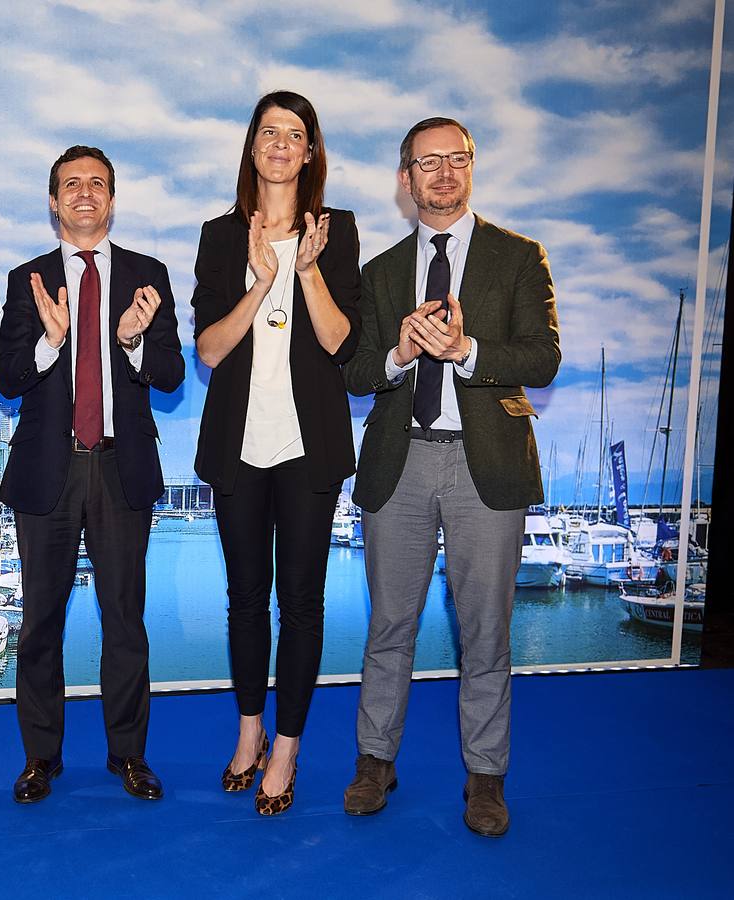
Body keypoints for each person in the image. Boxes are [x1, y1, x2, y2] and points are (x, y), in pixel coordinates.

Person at [342, 118, 560, 837]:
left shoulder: (520, 257)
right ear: (404, 180)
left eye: (455, 159)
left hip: (485, 466)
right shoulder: (377, 273)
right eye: (425, 163)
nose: (441, 173)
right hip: (398, 461)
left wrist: (466, 348)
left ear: (471, 168)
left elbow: (543, 359)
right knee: (389, 625)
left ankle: (487, 776)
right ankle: (376, 760)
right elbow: (355, 371)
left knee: (486, 632)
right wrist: (399, 353)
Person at [0, 145, 184, 804]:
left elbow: (171, 374)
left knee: (124, 621)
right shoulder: (27, 280)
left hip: (120, 466)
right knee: (39, 622)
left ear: (111, 197)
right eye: (71, 184)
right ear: (53, 201)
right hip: (48, 471)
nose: (84, 193)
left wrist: (133, 340)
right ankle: (39, 759)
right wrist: (50, 342)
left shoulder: (146, 274)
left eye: (97, 183)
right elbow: (7, 376)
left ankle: (128, 756)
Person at [191, 91, 361, 816]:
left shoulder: (338, 230)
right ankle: (249, 730)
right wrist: (261, 282)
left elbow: (340, 343)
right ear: (252, 147)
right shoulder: (220, 236)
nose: (282, 144)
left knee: (302, 604)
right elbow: (209, 347)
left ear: (311, 151)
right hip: (238, 447)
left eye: (297, 134)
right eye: (270, 132)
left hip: (308, 449)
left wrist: (307, 271)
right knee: (244, 601)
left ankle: (287, 747)